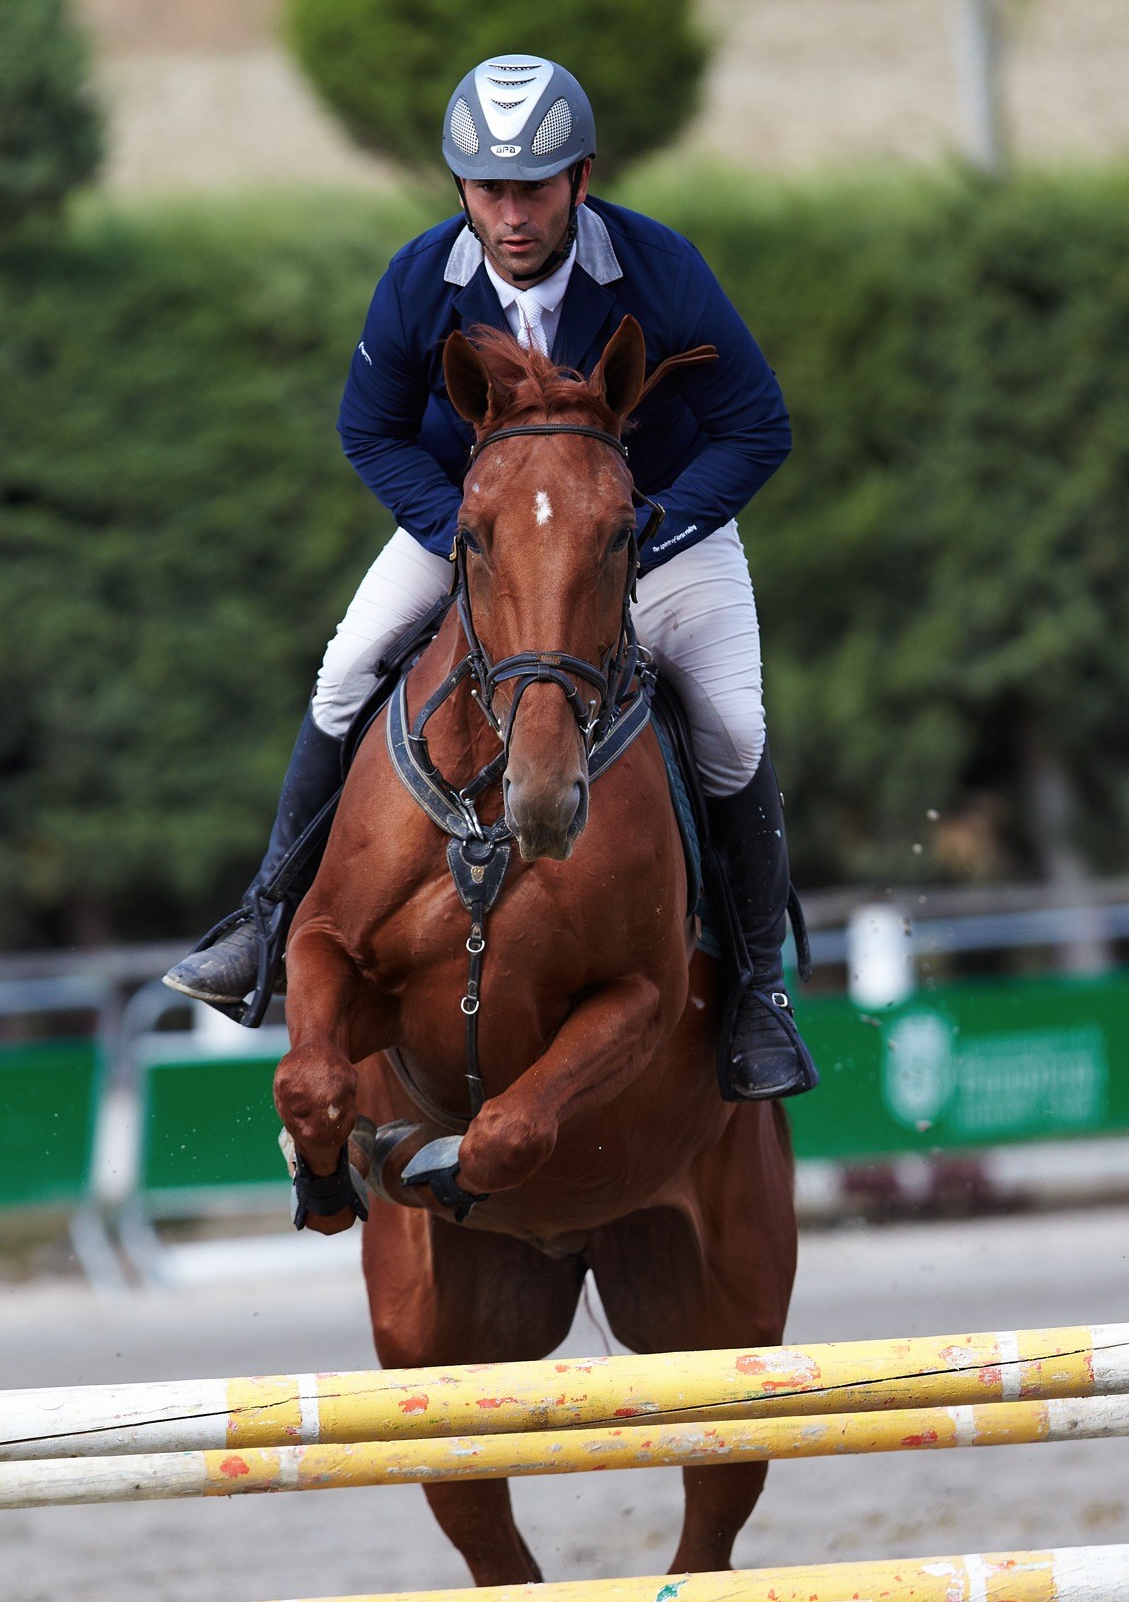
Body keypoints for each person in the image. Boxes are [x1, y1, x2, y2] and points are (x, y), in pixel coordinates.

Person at [164, 54, 816, 1102]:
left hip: (649, 532)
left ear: (582, 180)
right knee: (344, 671)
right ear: (460, 188)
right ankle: (263, 917)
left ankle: (758, 992)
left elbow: (758, 426)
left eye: (535, 189)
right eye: (488, 191)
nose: (511, 215)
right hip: (477, 529)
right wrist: (467, 534)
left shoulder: (660, 269)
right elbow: (367, 431)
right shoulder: (421, 280)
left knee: (733, 728)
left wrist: (649, 528)